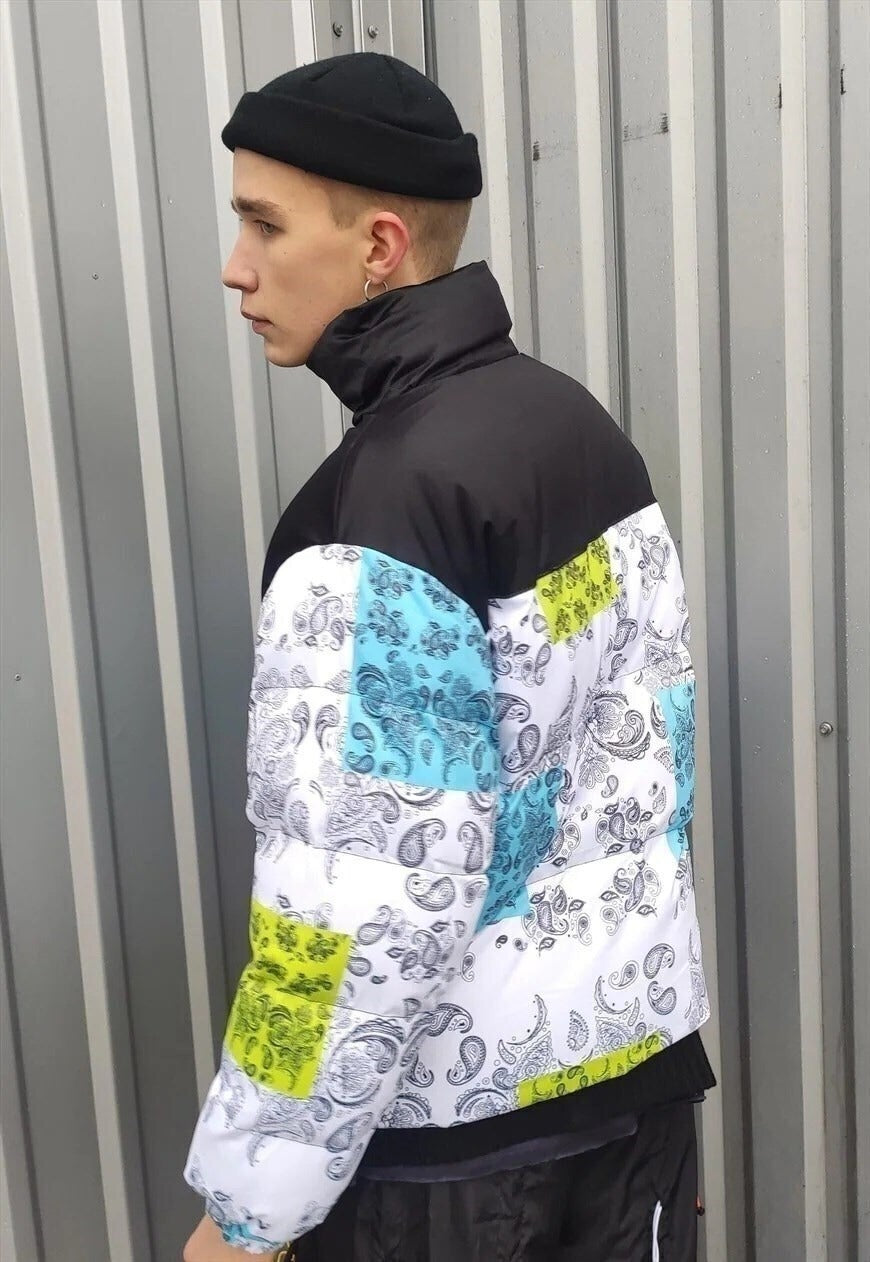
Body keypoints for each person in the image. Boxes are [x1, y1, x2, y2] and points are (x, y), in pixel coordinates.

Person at [183, 51, 715, 1262]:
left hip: (454, 1169)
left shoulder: (376, 512)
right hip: (633, 1095)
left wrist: (248, 1208)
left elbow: (354, 900)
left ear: (378, 245)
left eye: (265, 223)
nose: (236, 266)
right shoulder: (578, 429)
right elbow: (639, 771)